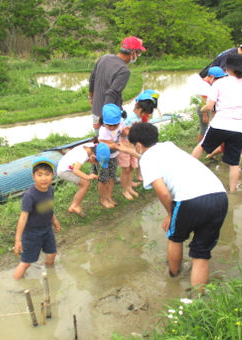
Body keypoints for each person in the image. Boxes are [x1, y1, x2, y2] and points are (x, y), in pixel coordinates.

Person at [127, 122, 228, 291]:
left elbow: (163, 192)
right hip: (219, 196)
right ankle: (198, 303)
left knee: (175, 237)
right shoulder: (168, 146)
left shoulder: (146, 160)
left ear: (138, 145)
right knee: (201, 254)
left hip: (190, 199)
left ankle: (173, 277)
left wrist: (170, 214)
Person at [192, 54, 242, 192]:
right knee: (234, 163)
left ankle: (188, 173)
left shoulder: (220, 83)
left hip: (219, 125)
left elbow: (210, 106)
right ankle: (233, 191)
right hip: (238, 128)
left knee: (202, 147)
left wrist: (203, 109)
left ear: (227, 68)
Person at [13, 157, 61, 279]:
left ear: (53, 176)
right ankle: (17, 284)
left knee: (52, 254)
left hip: (47, 229)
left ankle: (50, 276)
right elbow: (23, 218)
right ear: (33, 176)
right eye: (39, 175)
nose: (44, 178)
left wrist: (54, 220)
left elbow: (48, 207)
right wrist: (18, 240)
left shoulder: (50, 189)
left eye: (47, 174)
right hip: (32, 233)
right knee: (26, 263)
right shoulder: (29, 196)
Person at [89, 36, 146, 134]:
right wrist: (104, 119)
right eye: (138, 53)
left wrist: (91, 98)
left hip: (96, 110)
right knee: (111, 143)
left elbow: (92, 79)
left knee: (101, 140)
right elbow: (112, 93)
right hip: (109, 117)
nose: (138, 56)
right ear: (133, 53)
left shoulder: (104, 58)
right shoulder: (124, 70)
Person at [119, 92, 156, 200]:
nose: (145, 115)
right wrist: (132, 132)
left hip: (132, 144)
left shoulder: (138, 117)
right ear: (138, 108)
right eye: (144, 113)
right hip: (125, 145)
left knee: (131, 167)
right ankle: (125, 190)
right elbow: (124, 132)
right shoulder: (130, 117)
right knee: (125, 168)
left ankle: (129, 185)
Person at [56, 142, 110, 216]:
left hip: (67, 166)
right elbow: (76, 170)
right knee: (85, 184)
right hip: (64, 171)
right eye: (96, 162)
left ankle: (74, 205)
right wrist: (88, 176)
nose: (95, 164)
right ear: (93, 157)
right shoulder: (83, 155)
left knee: (83, 184)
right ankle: (74, 206)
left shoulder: (90, 146)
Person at [97, 103, 124, 208]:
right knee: (103, 179)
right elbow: (104, 143)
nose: (112, 127)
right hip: (104, 158)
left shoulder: (120, 123)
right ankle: (103, 199)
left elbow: (123, 131)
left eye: (115, 125)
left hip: (114, 156)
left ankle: (109, 197)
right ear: (104, 122)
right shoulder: (103, 130)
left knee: (112, 177)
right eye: (109, 125)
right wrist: (114, 145)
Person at [195, 66, 228, 142]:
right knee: (204, 127)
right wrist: (205, 115)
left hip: (207, 107)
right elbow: (203, 101)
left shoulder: (208, 83)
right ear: (212, 77)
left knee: (207, 126)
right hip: (204, 108)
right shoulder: (204, 85)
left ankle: (206, 142)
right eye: (219, 78)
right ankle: (200, 144)